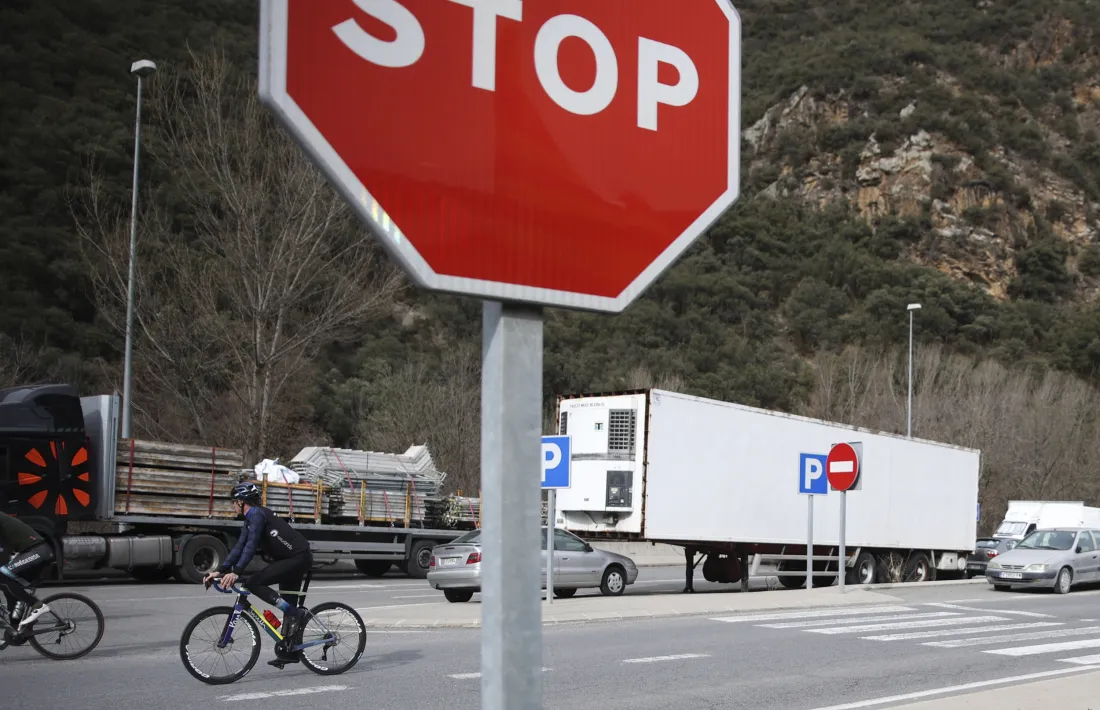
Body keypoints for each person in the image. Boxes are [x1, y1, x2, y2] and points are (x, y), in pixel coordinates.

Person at [203, 482, 313, 666]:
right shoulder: (251, 519)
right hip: (289, 559)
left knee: (253, 583)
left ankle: (297, 615)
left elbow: (251, 545)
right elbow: (240, 547)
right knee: (288, 608)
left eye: (233, 502)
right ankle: (291, 651)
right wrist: (220, 570)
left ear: (241, 501)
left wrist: (236, 572)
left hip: (297, 558)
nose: (232, 505)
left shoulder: (256, 514)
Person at [0, 511, 55, 635]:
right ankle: (16, 630)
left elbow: (2, 552)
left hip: (38, 551)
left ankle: (38, 606)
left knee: (3, 576)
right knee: (10, 588)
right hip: (30, 553)